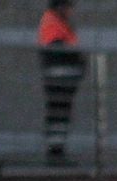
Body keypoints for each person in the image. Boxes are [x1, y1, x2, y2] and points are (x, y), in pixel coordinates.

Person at [38, 0, 85, 166]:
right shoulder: (53, 22)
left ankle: (57, 150)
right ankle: (56, 152)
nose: (71, 11)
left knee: (60, 114)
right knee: (59, 114)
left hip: (62, 76)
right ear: (60, 7)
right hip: (59, 77)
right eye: (68, 7)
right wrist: (77, 60)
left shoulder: (57, 21)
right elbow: (58, 49)